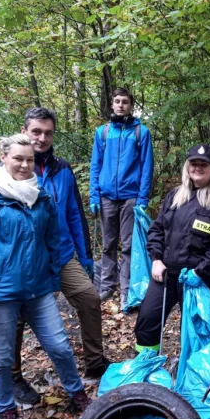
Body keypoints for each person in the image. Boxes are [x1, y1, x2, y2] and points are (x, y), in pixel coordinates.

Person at [0, 134, 91, 419]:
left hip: (37, 289)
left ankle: (77, 394)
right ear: (3, 157)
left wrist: (51, 279)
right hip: (1, 292)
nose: (24, 164)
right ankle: (6, 411)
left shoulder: (42, 197)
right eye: (17, 158)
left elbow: (52, 242)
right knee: (2, 357)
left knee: (60, 346)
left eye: (29, 159)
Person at [7, 107, 111, 403]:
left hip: (62, 254)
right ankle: (14, 377)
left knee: (90, 298)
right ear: (24, 131)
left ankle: (94, 362)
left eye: (48, 133)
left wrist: (86, 257)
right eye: (36, 131)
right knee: (16, 316)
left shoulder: (61, 169)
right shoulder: (12, 170)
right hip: (25, 260)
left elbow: (74, 214)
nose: (42, 138)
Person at [134, 144, 210, 353]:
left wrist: (200, 271)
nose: (198, 167)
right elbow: (156, 230)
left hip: (197, 277)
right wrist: (156, 259)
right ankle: (144, 366)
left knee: (193, 330)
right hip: (166, 274)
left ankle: (190, 375)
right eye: (194, 163)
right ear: (187, 166)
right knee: (147, 319)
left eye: (204, 164)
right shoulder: (174, 196)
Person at [89, 87, 154, 310]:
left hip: (130, 197)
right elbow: (95, 166)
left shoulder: (141, 132)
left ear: (131, 105)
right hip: (107, 196)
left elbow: (147, 167)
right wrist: (94, 195)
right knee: (108, 245)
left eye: (124, 101)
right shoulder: (103, 132)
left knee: (127, 245)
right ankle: (107, 285)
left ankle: (126, 289)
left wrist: (143, 198)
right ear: (111, 104)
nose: (120, 105)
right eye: (117, 101)